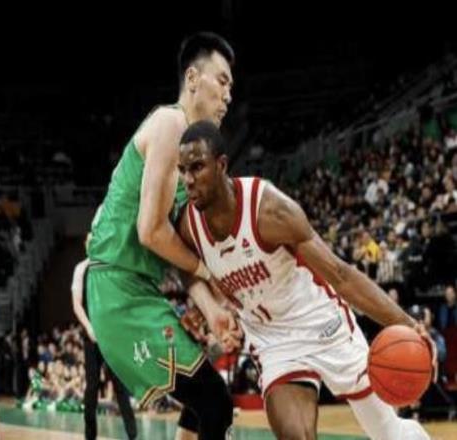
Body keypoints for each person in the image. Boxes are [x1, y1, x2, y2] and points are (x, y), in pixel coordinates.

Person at [176, 120, 433, 440]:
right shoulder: (188, 227)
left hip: (322, 323)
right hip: (274, 342)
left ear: (221, 165)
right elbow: (183, 266)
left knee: (387, 432)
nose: (188, 180)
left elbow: (341, 275)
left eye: (197, 167)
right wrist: (209, 305)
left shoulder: (269, 210)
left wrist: (408, 324)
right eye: (182, 170)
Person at [86, 32, 240, 439]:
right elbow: (151, 231)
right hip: (118, 289)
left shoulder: (188, 157)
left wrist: (212, 310)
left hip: (134, 287)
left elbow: (180, 255)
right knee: (215, 403)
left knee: (202, 403)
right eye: (222, 81)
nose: (228, 95)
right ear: (193, 78)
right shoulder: (171, 123)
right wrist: (207, 271)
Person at [72, 250, 137, 440]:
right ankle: (89, 435)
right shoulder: (81, 269)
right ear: (85, 245)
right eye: (89, 240)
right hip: (91, 336)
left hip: (111, 336)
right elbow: (77, 304)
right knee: (92, 386)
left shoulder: (110, 265)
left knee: (120, 386)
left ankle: (133, 435)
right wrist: (89, 327)